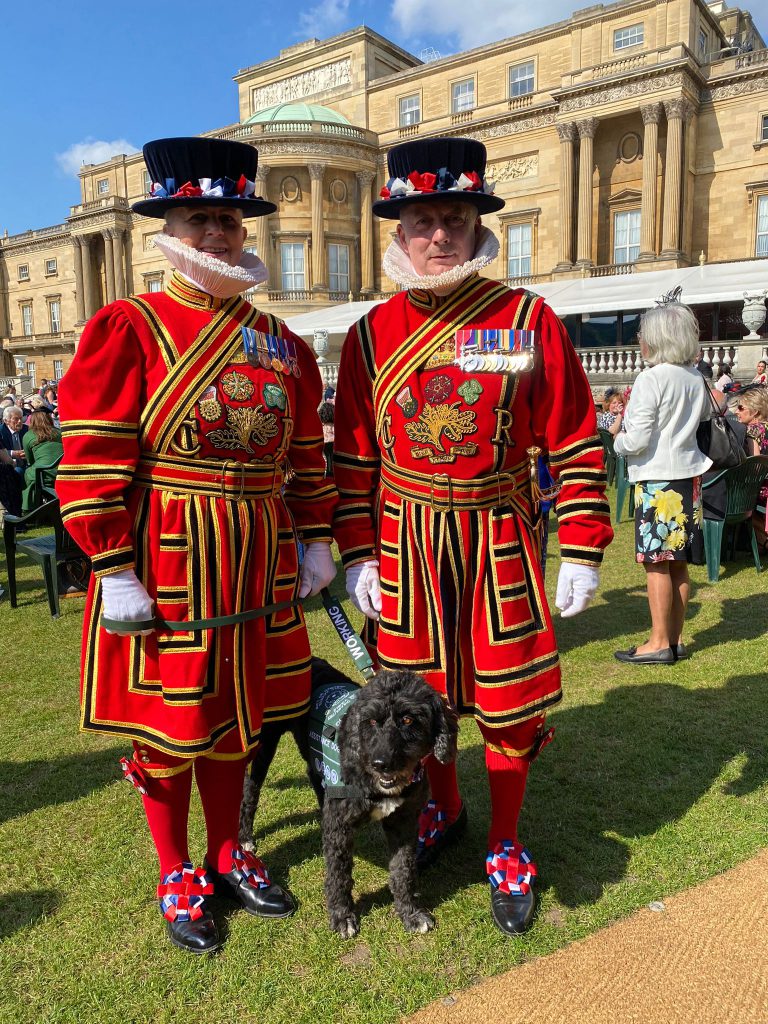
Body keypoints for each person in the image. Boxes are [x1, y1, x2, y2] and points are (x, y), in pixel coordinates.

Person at [57, 137, 337, 954]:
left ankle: (228, 848)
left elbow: (303, 456)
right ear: (169, 224)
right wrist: (112, 564)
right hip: (169, 550)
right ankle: (175, 864)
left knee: (240, 716)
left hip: (257, 548)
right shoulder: (126, 324)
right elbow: (93, 453)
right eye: (199, 217)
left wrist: (316, 537)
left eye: (228, 217)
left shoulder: (280, 341)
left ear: (245, 228)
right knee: (170, 720)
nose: (216, 231)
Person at [332, 136, 613, 936]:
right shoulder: (368, 335)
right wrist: (357, 552)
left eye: (454, 217)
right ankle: (442, 810)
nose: (440, 235)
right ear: (399, 229)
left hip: (498, 535)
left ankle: (505, 842)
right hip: (408, 542)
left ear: (476, 222)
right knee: (422, 698)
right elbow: (352, 455)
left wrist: (585, 541)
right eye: (424, 219)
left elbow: (575, 436)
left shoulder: (527, 318)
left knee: (509, 701)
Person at [612, 302, 711, 665]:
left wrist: (617, 440)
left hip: (658, 479)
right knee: (679, 562)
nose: (640, 340)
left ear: (654, 339)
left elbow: (635, 440)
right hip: (689, 475)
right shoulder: (695, 377)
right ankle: (675, 638)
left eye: (642, 335)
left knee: (656, 562)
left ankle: (658, 642)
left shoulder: (650, 379)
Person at [728, 384, 768, 550]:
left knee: (733, 498)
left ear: (756, 412)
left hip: (762, 487)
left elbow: (754, 468)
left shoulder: (751, 431)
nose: (736, 411)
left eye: (741, 407)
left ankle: (764, 538)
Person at [21, 408, 64, 512]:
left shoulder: (28, 435)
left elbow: (30, 460)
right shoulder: (59, 432)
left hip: (42, 472)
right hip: (62, 471)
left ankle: (30, 507)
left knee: (28, 473)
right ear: (48, 419)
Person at [1, 406, 28, 473]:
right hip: (8, 467)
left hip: (26, 464)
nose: (19, 421)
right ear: (6, 421)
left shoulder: (26, 429)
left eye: (21, 418)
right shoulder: (1, 432)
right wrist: (12, 453)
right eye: (16, 419)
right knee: (18, 471)